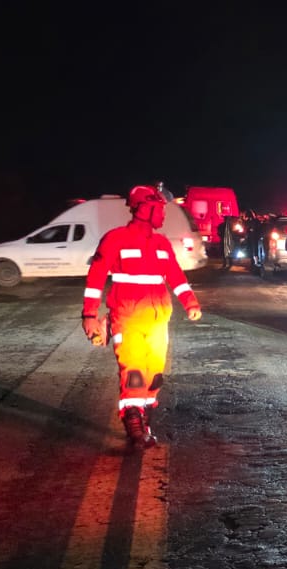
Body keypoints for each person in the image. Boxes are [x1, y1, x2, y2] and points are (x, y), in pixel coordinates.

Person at [81, 184, 203, 447]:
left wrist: (190, 303)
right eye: (159, 208)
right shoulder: (115, 239)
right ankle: (134, 426)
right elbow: (96, 277)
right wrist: (89, 315)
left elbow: (176, 276)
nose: (163, 214)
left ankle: (144, 419)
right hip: (127, 319)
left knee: (155, 375)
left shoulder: (161, 243)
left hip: (158, 321)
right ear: (144, 209)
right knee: (134, 372)